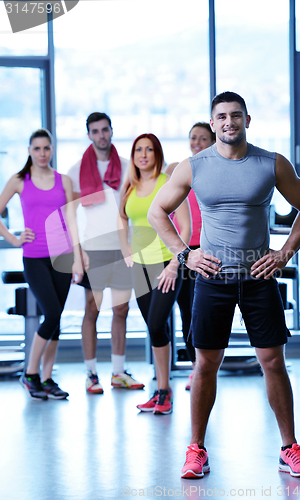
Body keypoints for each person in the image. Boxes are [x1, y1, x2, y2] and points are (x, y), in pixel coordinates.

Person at [148, 92, 300, 478]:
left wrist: (285, 252)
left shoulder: (270, 163)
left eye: (236, 115)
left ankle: (289, 448)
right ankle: (196, 450)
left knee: (273, 362)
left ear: (247, 120)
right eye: (221, 116)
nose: (229, 122)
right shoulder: (193, 167)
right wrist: (185, 255)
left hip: (258, 278)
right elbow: (157, 210)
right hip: (213, 279)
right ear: (212, 123)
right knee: (205, 364)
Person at [0, 129, 84, 400]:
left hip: (63, 257)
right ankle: (31, 373)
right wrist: (14, 239)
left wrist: (78, 259)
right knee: (51, 313)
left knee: (56, 319)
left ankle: (47, 379)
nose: (42, 153)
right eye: (37, 148)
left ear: (52, 150)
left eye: (46, 148)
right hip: (34, 257)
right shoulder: (19, 180)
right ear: (29, 151)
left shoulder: (65, 181)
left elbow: (72, 222)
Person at [67, 112, 144, 394]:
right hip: (93, 250)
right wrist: (78, 255)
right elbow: (71, 217)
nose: (101, 135)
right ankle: (90, 374)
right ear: (89, 134)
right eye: (95, 131)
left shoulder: (126, 167)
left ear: (112, 131)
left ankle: (118, 371)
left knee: (121, 309)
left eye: (105, 130)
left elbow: (134, 208)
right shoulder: (76, 170)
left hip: (122, 249)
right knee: (92, 310)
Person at [118, 133, 191, 414]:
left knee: (157, 323)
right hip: (140, 266)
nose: (144, 154)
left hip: (166, 265)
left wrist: (176, 263)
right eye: (139, 149)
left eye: (149, 149)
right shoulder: (130, 186)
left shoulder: (168, 183)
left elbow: (184, 226)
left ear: (157, 153)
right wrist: (125, 248)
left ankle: (164, 389)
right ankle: (161, 389)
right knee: (154, 326)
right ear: (133, 155)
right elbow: (123, 216)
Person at [165, 123, 216, 390]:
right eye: (193, 138)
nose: (197, 142)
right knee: (187, 312)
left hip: (208, 251)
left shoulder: (217, 169)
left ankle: (206, 366)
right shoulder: (178, 169)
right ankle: (197, 368)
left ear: (212, 140)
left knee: (203, 314)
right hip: (185, 250)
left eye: (203, 138)